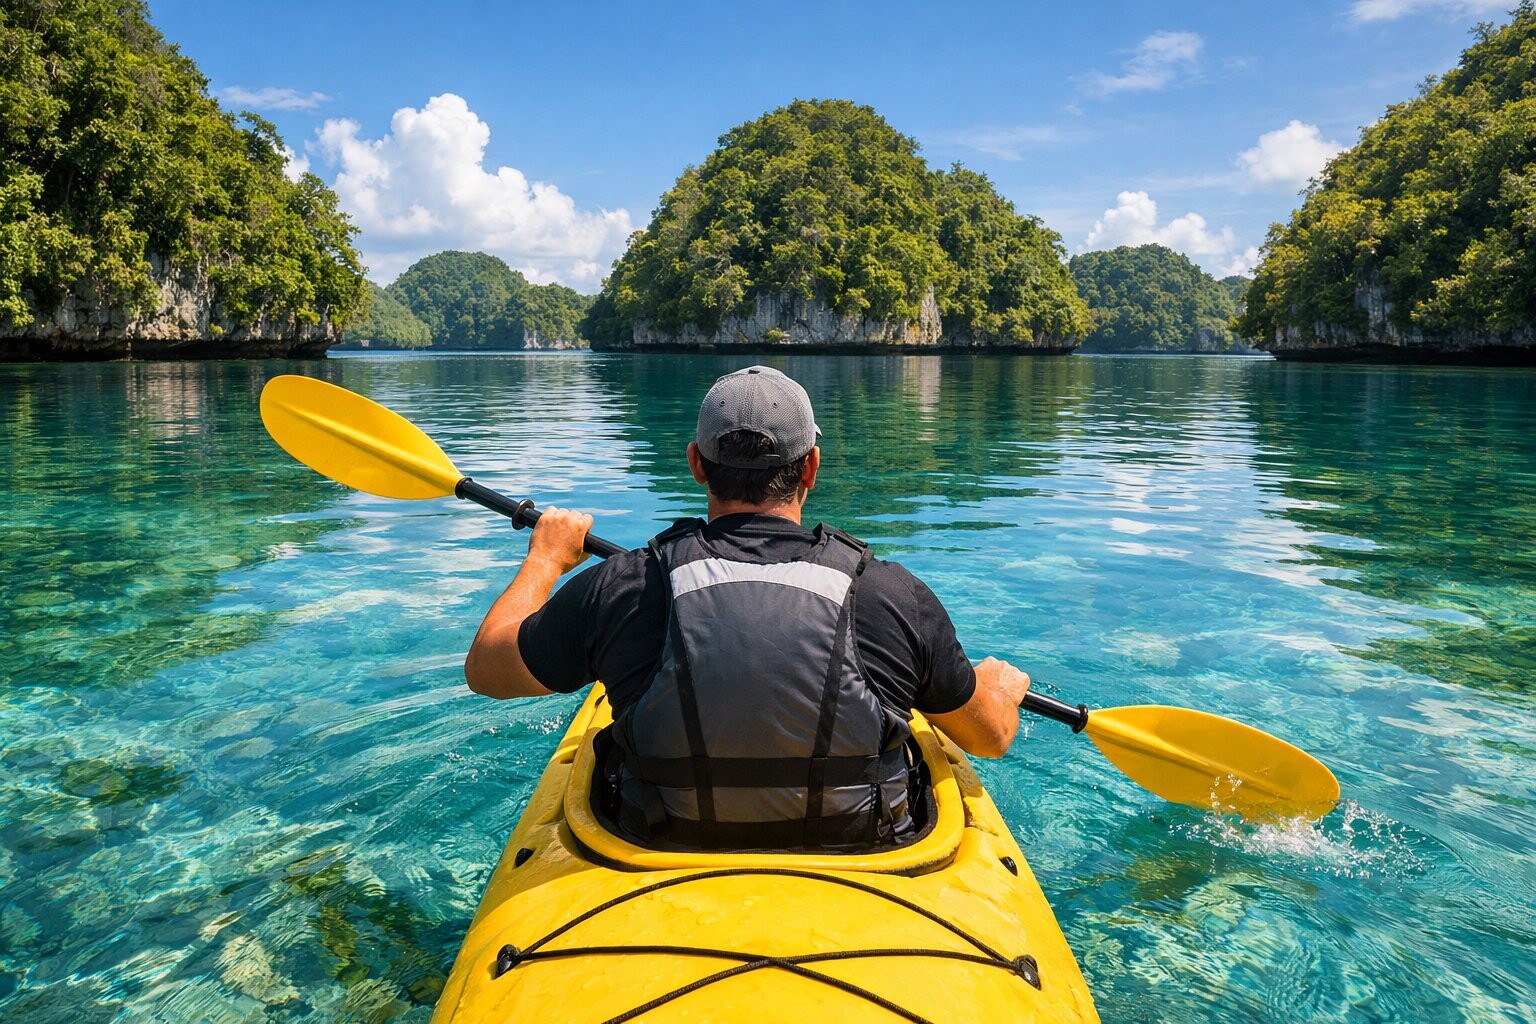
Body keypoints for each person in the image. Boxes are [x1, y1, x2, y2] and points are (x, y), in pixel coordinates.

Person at [465, 365, 1032, 851]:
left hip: (655, 845)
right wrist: (998, 691)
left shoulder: (624, 587)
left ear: (696, 463)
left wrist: (546, 557)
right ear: (810, 466)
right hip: (863, 851)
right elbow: (990, 738)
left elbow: (488, 669)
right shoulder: (892, 596)